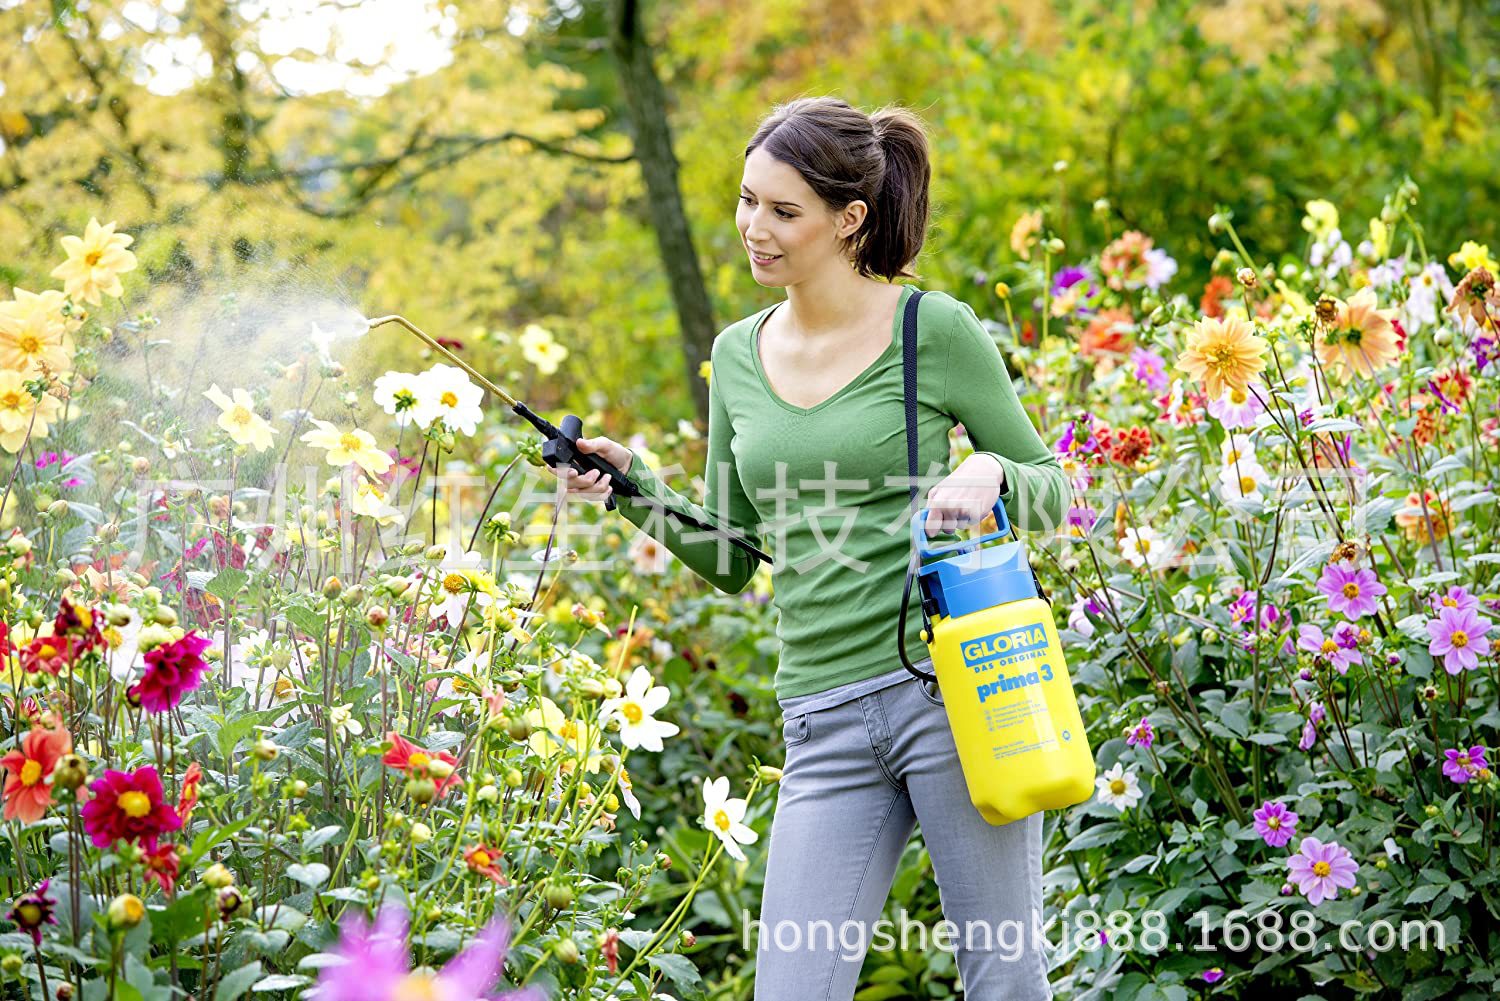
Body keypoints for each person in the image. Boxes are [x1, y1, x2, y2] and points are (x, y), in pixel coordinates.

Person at [549, 96, 1066, 1001]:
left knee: (1005, 978)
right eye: (747, 200)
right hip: (822, 720)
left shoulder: (929, 331)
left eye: (783, 211)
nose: (755, 228)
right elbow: (733, 552)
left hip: (955, 694)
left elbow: (1056, 484)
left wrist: (989, 469)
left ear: (848, 219)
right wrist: (632, 487)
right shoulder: (737, 354)